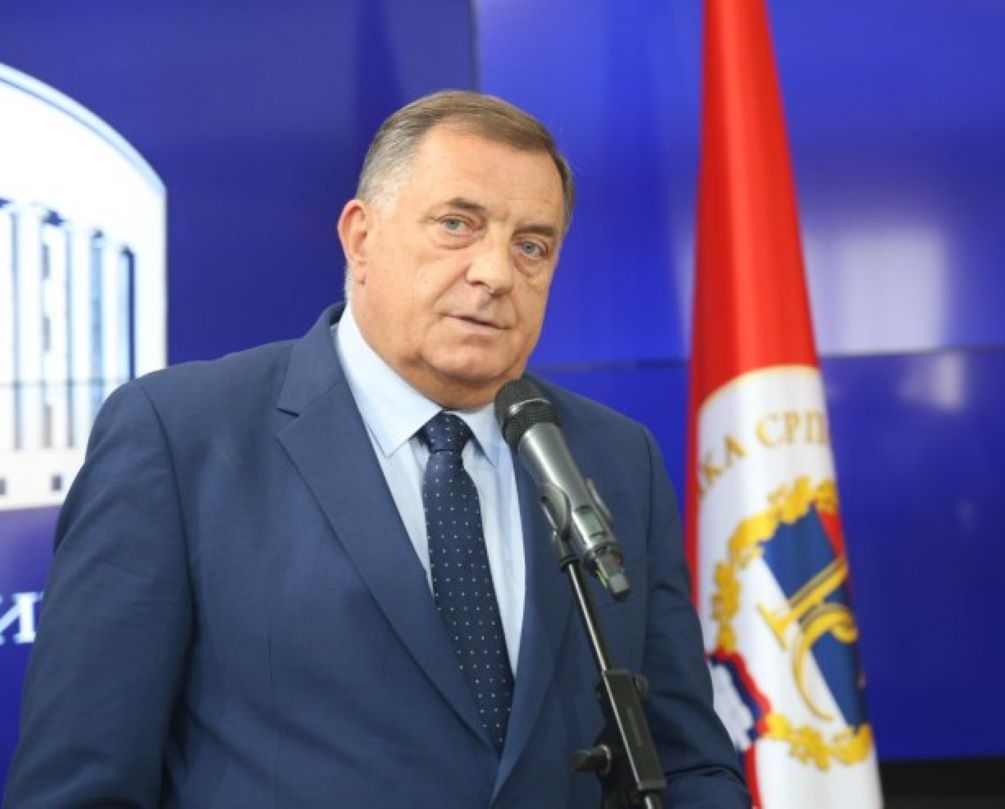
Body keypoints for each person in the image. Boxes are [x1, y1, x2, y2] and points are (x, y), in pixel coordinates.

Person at [5, 91, 749, 808]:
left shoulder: (613, 457)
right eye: (457, 224)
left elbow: (686, 762)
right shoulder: (182, 436)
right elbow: (80, 782)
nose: (496, 273)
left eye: (531, 245)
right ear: (361, 238)